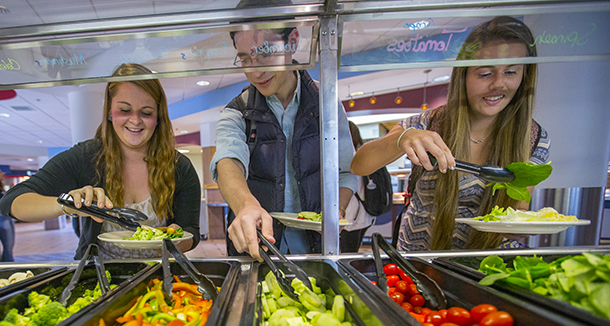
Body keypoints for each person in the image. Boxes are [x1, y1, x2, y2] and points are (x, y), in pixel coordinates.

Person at [351, 16, 550, 251]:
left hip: (484, 266)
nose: (499, 84)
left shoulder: (534, 138)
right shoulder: (429, 122)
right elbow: (359, 165)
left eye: (511, 72)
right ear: (463, 75)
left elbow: (517, 210)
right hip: (418, 263)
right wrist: (403, 138)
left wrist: (529, 223)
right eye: (485, 74)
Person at [0, 63, 201, 260]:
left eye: (146, 113)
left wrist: (174, 240)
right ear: (109, 112)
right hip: (98, 277)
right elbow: (12, 202)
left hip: (158, 276)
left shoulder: (179, 166)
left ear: (158, 117)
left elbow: (191, 230)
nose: (135, 120)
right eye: (125, 110)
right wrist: (68, 204)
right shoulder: (86, 157)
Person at [211, 6, 357, 259]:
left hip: (316, 248)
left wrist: (337, 210)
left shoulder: (327, 103)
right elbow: (228, 160)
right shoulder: (237, 111)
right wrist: (246, 206)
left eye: (264, 53)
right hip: (257, 247)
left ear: (292, 41)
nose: (255, 71)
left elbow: (345, 171)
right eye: (245, 59)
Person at [340, 121, 374, 253]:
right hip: (364, 214)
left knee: (345, 255)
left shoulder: (349, 158)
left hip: (349, 215)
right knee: (352, 252)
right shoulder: (364, 156)